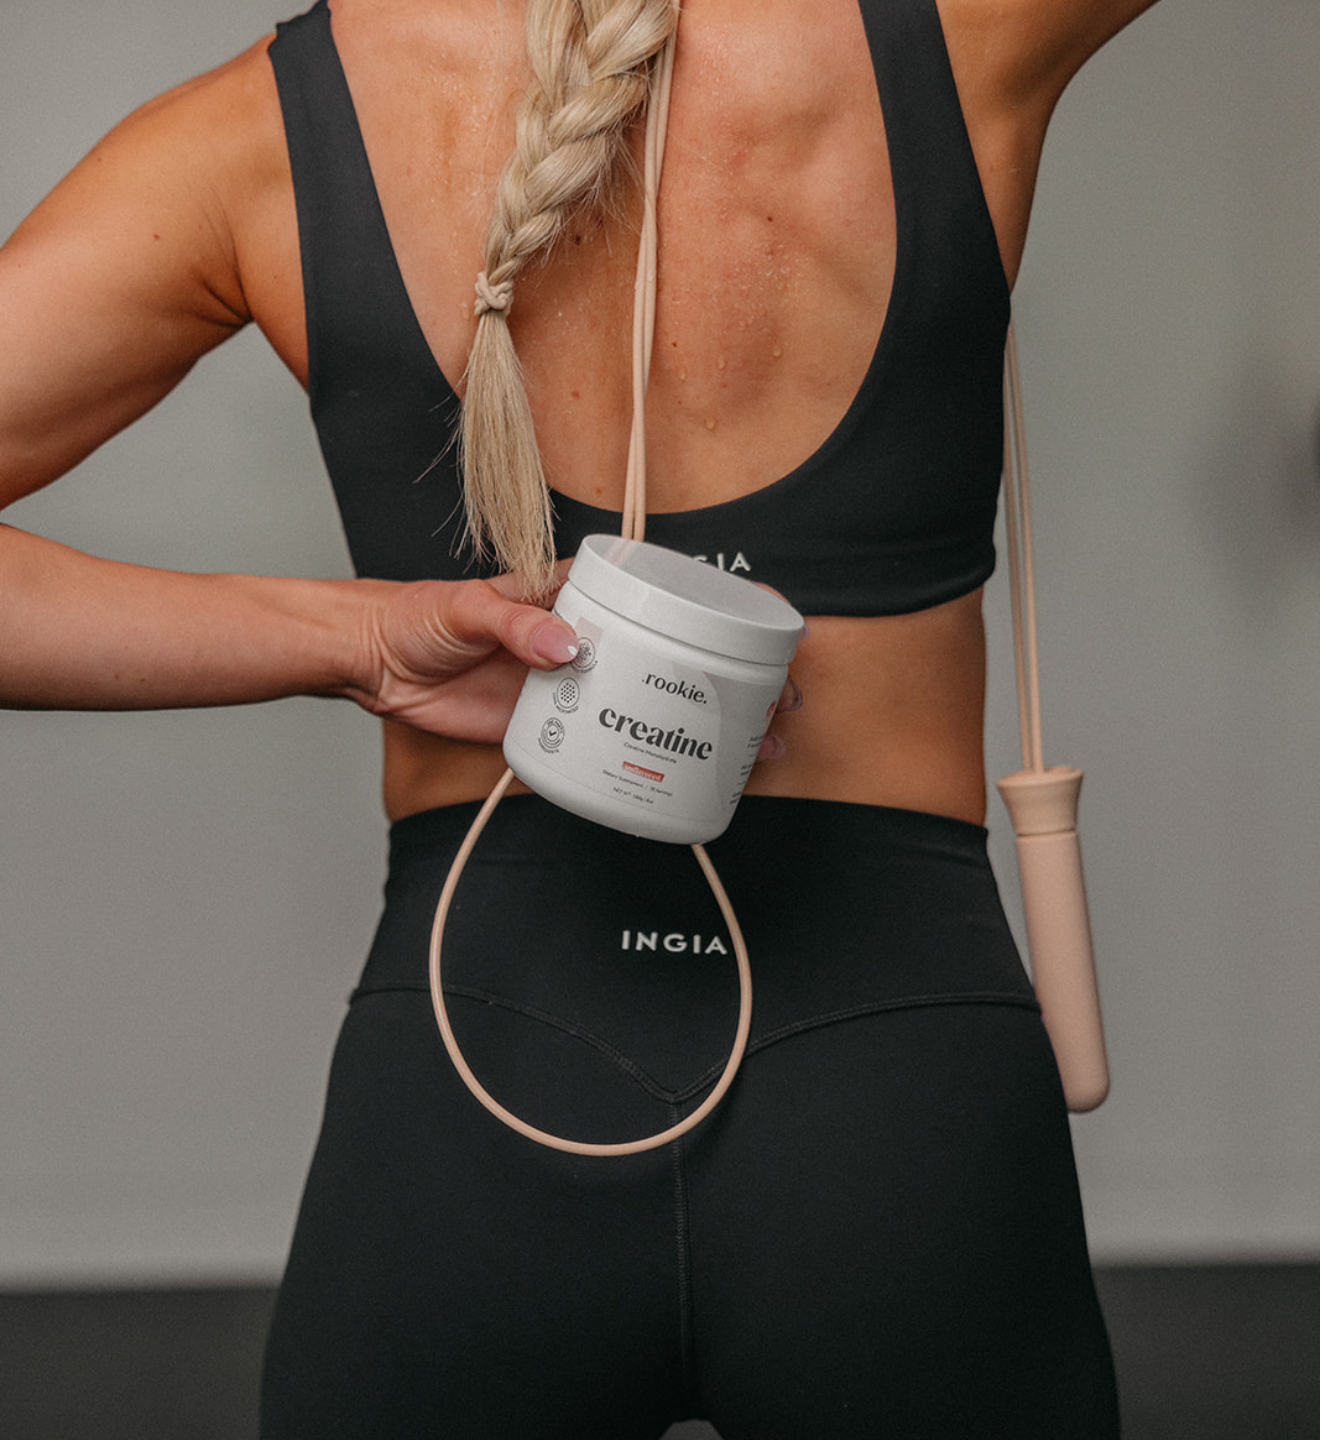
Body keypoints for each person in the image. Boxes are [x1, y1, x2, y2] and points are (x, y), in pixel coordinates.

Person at [0, 0, 1163, 1434]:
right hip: (899, 1102)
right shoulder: (957, 32)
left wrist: (358, 640)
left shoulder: (257, 134)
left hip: (474, 1084)